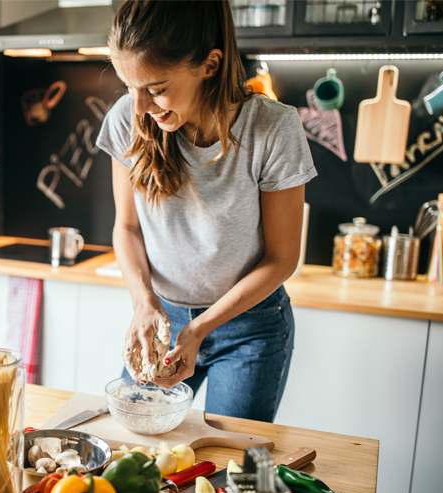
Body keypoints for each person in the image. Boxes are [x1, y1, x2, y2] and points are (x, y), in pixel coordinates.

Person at [94, 0, 317, 422]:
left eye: (156, 88)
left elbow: (282, 258)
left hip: (250, 327)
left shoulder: (271, 129)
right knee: (136, 444)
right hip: (162, 317)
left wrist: (199, 329)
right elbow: (126, 228)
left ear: (210, 64)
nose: (139, 105)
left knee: (229, 464)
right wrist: (144, 304)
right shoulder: (128, 119)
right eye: (128, 86)